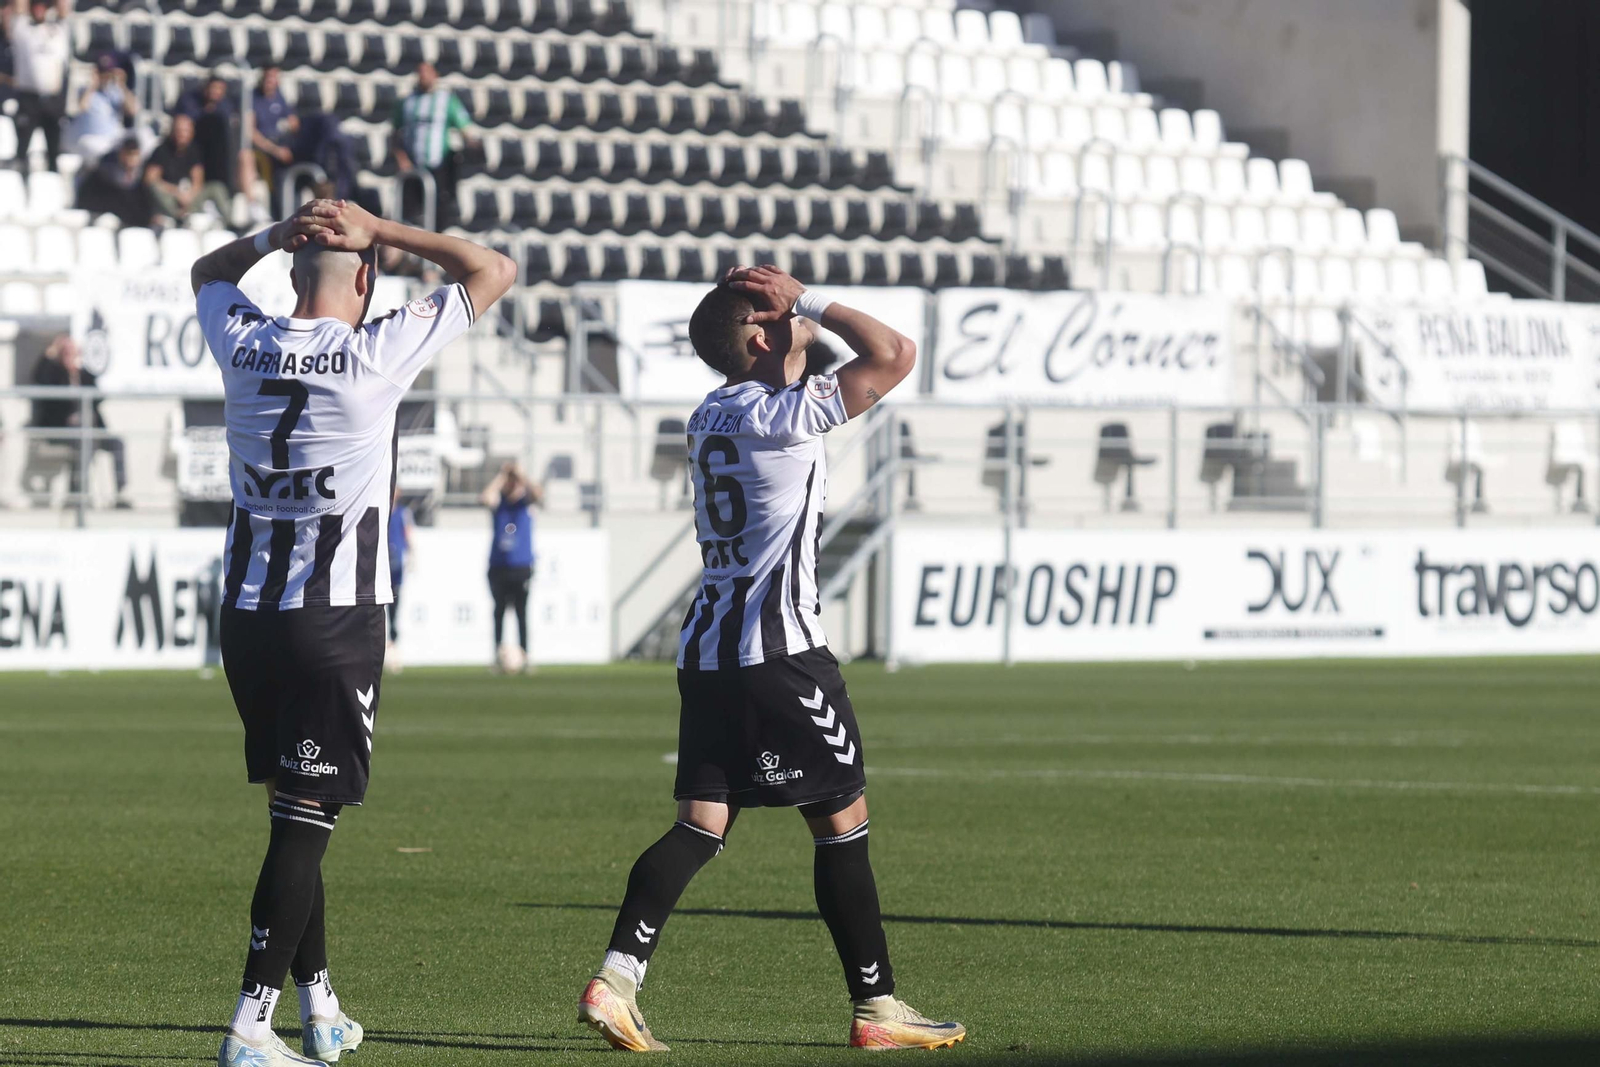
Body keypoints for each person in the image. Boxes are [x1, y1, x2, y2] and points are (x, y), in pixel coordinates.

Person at [575, 265, 964, 1051]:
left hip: (711, 650)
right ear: (758, 335)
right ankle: (877, 1007)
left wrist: (793, 313)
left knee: (702, 823)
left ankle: (616, 978)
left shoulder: (711, 410)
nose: (794, 314)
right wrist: (812, 300)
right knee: (841, 822)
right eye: (777, 312)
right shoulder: (784, 416)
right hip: (780, 651)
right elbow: (896, 353)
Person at [190, 199, 514, 1067]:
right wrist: (385, 229)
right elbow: (493, 269)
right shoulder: (375, 350)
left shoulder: (245, 340)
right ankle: (250, 1028)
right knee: (303, 823)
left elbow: (208, 274)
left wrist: (274, 235)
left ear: (294, 275)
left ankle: (318, 1003)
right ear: (366, 280)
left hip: (248, 618)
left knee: (300, 812)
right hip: (334, 620)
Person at [30, 333, 130, 507]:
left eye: (73, 352)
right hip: (64, 432)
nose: (70, 356)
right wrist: (50, 353)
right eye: (66, 352)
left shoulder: (85, 376)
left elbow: (98, 397)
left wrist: (78, 372)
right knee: (84, 444)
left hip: (91, 429)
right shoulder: (55, 374)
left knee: (116, 443)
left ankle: (120, 494)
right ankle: (77, 497)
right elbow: (39, 378)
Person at [390, 61, 476, 229]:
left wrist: (472, 145)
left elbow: (464, 128)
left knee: (439, 212)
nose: (423, 76)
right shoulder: (407, 102)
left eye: (427, 72)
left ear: (435, 75)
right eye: (420, 72)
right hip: (412, 165)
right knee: (407, 213)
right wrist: (401, 158)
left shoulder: (447, 101)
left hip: (438, 165)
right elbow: (394, 134)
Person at [480, 461, 541, 673]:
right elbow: (485, 497)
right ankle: (498, 655)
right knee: (499, 612)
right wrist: (502, 476)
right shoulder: (500, 505)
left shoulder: (526, 505)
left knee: (521, 613)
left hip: (521, 567)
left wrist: (521, 475)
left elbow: (538, 494)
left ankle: (525, 654)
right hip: (498, 567)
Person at [2, 0, 69, 175]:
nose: (39, 10)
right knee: (23, 144)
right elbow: (19, 6)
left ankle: (53, 183)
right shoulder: (23, 29)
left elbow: (64, 8)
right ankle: (18, 181)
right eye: (36, 6)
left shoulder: (58, 31)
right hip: (29, 97)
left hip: (53, 99)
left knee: (53, 147)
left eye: (43, 6)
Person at [145, 113, 231, 225]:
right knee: (155, 189)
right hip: (170, 198)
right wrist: (176, 192)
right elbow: (150, 179)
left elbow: (198, 180)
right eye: (179, 131)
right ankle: (177, 218)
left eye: (186, 131)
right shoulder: (161, 151)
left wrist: (190, 195)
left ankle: (230, 223)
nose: (182, 134)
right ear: (172, 131)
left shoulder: (194, 151)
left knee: (217, 187)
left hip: (190, 197)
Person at [64, 53, 137, 165]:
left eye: (108, 73)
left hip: (114, 139)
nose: (105, 77)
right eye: (102, 73)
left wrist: (122, 85)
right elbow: (81, 107)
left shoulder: (116, 92)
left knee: (143, 137)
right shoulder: (84, 90)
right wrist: (93, 85)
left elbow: (133, 110)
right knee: (99, 150)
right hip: (90, 139)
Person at [75, 136, 157, 228]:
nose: (132, 159)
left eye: (136, 155)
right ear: (121, 154)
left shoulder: (140, 177)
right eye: (129, 154)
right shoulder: (104, 172)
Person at [385, 490, 412, 671]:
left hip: (396, 567)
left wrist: (412, 556)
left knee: (395, 608)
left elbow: (408, 535)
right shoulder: (381, 509)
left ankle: (394, 648)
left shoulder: (403, 513)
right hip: (380, 566)